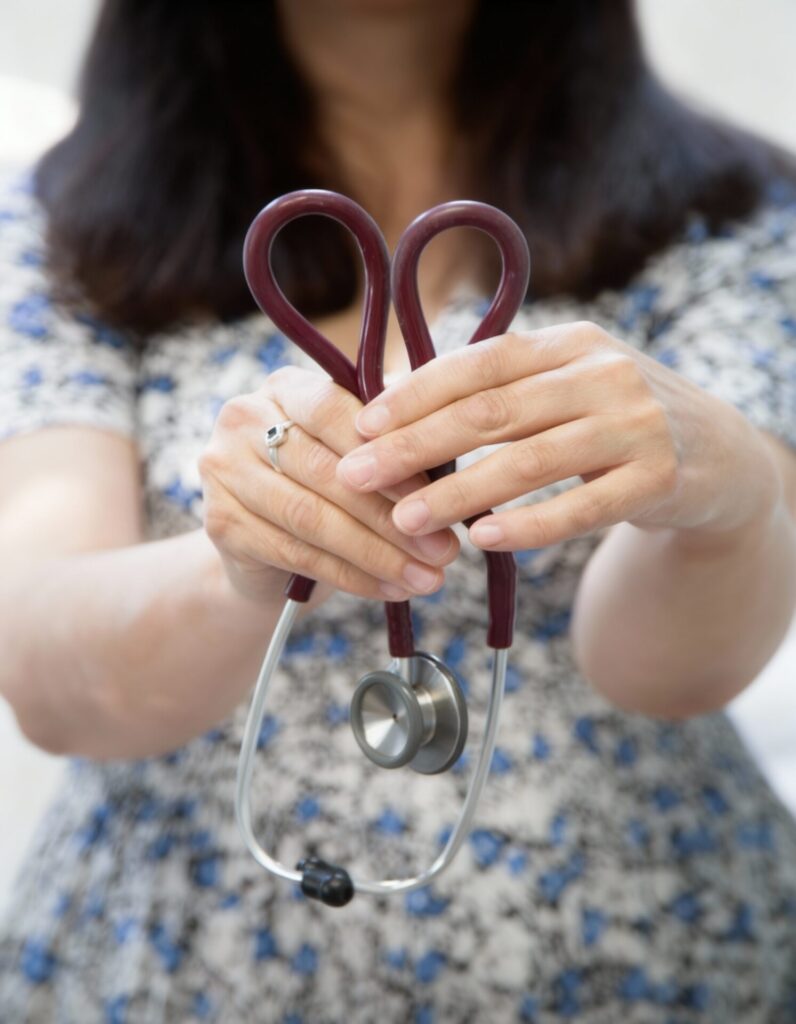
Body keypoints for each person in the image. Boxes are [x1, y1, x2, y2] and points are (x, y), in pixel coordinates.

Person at [1, 0, 796, 1020]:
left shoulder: (738, 213)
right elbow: (47, 675)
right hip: (176, 964)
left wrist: (727, 496)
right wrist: (240, 557)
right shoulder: (61, 223)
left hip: (655, 958)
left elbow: (669, 668)